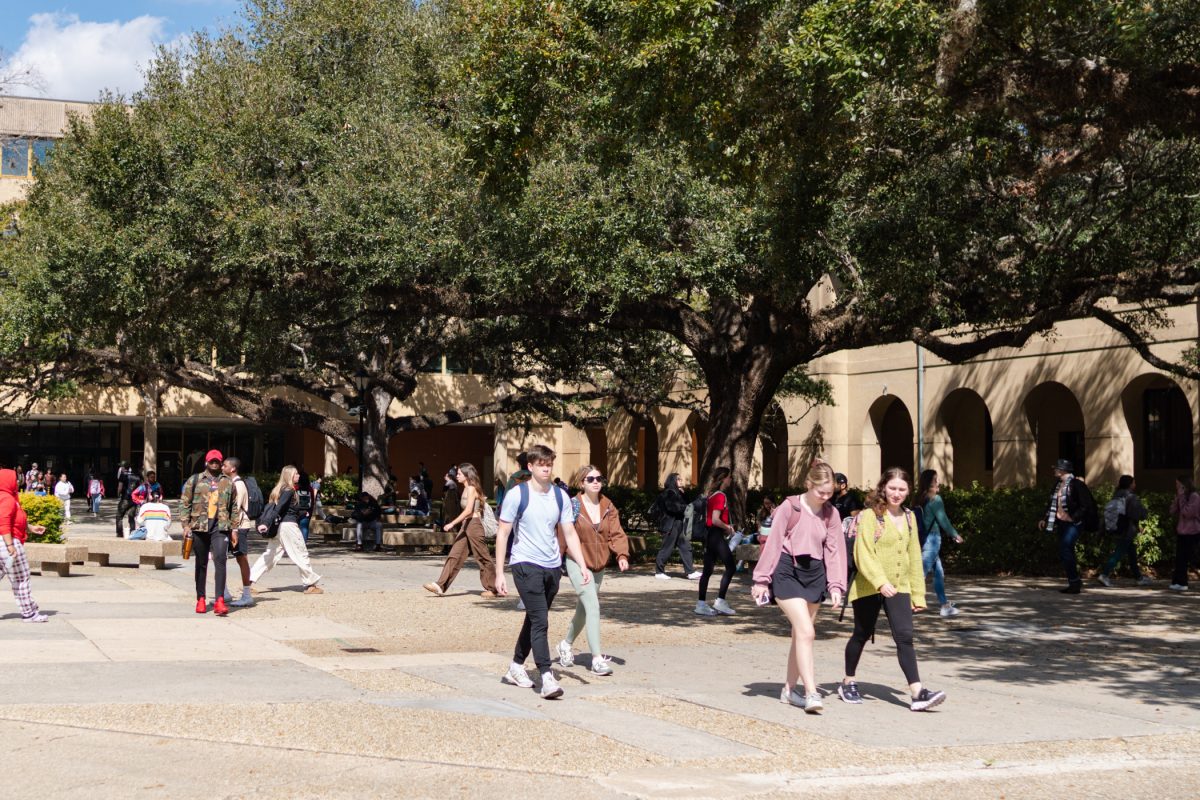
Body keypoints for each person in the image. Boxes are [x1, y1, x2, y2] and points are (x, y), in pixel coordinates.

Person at [839, 467, 946, 712]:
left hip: (900, 585)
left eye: (902, 489)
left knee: (905, 636)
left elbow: (914, 557)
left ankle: (918, 692)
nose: (896, 494)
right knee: (861, 634)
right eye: (892, 488)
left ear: (908, 491)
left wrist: (918, 594)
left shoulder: (909, 517)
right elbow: (863, 552)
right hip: (870, 585)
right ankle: (848, 680)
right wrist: (879, 581)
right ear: (883, 488)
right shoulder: (869, 515)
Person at [494, 444, 590, 699]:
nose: (546, 469)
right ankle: (546, 676)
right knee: (541, 621)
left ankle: (515, 666)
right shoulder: (517, 494)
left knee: (535, 618)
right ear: (531, 466)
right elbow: (503, 533)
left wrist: (581, 564)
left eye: (549, 464)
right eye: (541, 464)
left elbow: (569, 532)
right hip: (525, 564)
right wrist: (499, 572)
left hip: (551, 567)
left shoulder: (560, 496)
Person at [752, 460, 846, 713]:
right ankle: (811, 692)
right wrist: (761, 579)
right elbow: (773, 543)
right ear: (808, 484)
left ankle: (788, 690)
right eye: (821, 492)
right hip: (787, 571)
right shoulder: (790, 507)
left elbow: (835, 551)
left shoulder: (831, 514)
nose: (825, 497)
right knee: (806, 632)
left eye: (830, 493)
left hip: (815, 575)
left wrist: (836, 585)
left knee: (800, 635)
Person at [556, 465, 630, 676]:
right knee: (593, 606)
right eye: (590, 479)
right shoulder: (573, 505)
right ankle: (596, 659)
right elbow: (565, 535)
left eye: (599, 478)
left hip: (599, 565)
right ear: (582, 483)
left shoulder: (608, 506)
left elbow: (616, 533)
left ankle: (565, 644)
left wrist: (622, 555)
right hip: (576, 562)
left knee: (584, 609)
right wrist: (564, 561)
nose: (596, 482)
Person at [248, 466, 324, 595]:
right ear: (289, 476)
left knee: (270, 555)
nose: (298, 476)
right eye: (295, 474)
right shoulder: (289, 490)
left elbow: (282, 509)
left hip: (280, 527)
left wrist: (301, 513)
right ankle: (310, 584)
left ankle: (248, 582)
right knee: (300, 553)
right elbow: (278, 508)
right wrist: (266, 523)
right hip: (288, 527)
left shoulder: (280, 490)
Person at [424, 463, 497, 597]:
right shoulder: (465, 488)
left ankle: (494, 588)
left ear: (467, 475)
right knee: (455, 554)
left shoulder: (471, 488)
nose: (456, 476)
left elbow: (469, 510)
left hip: (474, 525)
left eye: (459, 474)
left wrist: (452, 523)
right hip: (467, 524)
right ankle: (440, 586)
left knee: (482, 556)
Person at [179, 450, 234, 616]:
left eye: (217, 461)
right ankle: (201, 599)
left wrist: (235, 528)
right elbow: (184, 503)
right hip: (199, 527)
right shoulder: (195, 480)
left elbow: (235, 506)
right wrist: (186, 525)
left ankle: (219, 600)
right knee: (201, 563)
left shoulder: (227, 482)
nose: (215, 464)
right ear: (206, 462)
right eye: (212, 461)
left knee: (220, 560)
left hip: (220, 526)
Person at [0, 468, 49, 623]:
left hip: (4, 542)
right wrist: (10, 546)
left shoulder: (8, 497)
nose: (17, 481)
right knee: (21, 579)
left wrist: (30, 527)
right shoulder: (6, 498)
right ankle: (29, 613)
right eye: (14, 479)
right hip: (9, 542)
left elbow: (16, 518)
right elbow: (4, 522)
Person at [916, 469, 964, 617]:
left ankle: (944, 605)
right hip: (933, 539)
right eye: (936, 479)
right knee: (920, 573)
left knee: (938, 572)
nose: (938, 482)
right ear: (931, 482)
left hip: (922, 538)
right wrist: (955, 535)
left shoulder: (918, 498)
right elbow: (943, 520)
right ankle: (908, 603)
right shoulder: (935, 499)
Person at [1037, 458, 1089, 594]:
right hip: (1061, 522)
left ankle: (1074, 582)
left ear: (1062, 470)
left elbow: (1085, 505)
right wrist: (1045, 518)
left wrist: (1074, 517)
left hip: (1074, 523)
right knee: (1067, 550)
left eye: (1056, 468)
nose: (1054, 470)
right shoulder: (1058, 484)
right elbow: (1052, 503)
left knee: (1065, 548)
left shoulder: (1076, 484)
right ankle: (1075, 581)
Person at [695, 467, 737, 617]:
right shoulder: (721, 496)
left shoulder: (711, 495)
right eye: (729, 477)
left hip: (709, 535)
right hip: (716, 535)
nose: (730, 480)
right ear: (724, 478)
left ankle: (701, 604)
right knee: (731, 567)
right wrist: (728, 528)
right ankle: (720, 600)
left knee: (707, 571)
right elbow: (715, 520)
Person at [1097, 475, 1151, 587]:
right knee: (1118, 554)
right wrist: (1144, 513)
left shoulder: (1116, 496)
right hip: (1127, 530)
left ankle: (1139, 578)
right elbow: (1138, 514)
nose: (1135, 485)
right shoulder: (1131, 497)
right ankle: (1104, 574)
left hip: (1118, 527)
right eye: (1134, 483)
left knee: (1132, 554)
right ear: (1130, 484)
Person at [222, 457, 256, 608]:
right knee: (223, 557)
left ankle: (247, 595)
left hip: (239, 526)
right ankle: (224, 592)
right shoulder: (232, 483)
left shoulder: (238, 485)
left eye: (225, 465)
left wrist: (234, 529)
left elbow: (235, 508)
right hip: (233, 526)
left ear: (233, 468)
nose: (222, 467)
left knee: (242, 558)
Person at [653, 473, 698, 580]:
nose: (681, 481)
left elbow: (687, 504)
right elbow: (673, 508)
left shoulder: (678, 493)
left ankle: (690, 571)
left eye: (681, 479)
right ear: (673, 480)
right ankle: (659, 572)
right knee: (667, 547)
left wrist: (683, 495)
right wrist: (686, 507)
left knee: (686, 547)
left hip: (679, 524)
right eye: (678, 479)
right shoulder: (669, 493)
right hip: (670, 524)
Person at [1168, 476, 1200, 592]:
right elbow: (1172, 511)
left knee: (1191, 558)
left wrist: (1181, 497)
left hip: (1192, 532)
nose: (1176, 487)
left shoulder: (1194, 497)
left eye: (1178, 485)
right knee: (1180, 558)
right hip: (1182, 531)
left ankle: (1182, 582)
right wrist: (1177, 499)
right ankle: (1178, 582)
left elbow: (1187, 513)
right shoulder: (1182, 497)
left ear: (1184, 485)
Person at [115, 463, 136, 538]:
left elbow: (120, 487)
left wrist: (118, 494)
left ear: (124, 468)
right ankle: (133, 533)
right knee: (131, 517)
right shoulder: (136, 476)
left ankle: (120, 533)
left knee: (119, 516)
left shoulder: (123, 475)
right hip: (134, 500)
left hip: (125, 498)